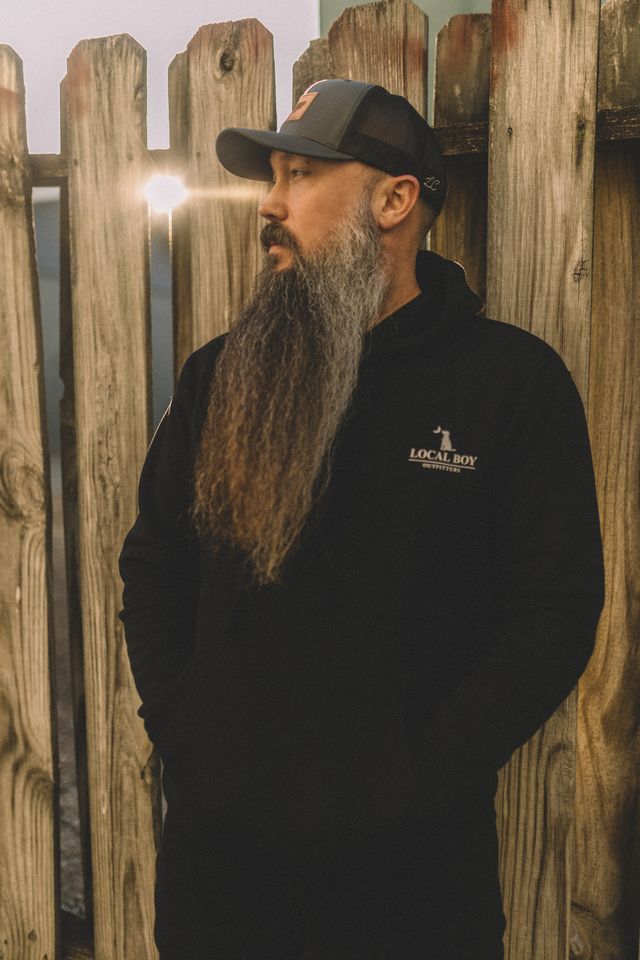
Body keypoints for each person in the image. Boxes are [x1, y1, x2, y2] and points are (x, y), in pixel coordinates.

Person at [117, 78, 605, 959]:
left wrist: (413, 779)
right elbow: (155, 564)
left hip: (411, 890)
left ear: (394, 200)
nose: (269, 204)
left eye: (301, 175)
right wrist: (190, 734)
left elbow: (554, 612)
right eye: (272, 176)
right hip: (220, 882)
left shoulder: (509, 384)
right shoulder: (221, 374)